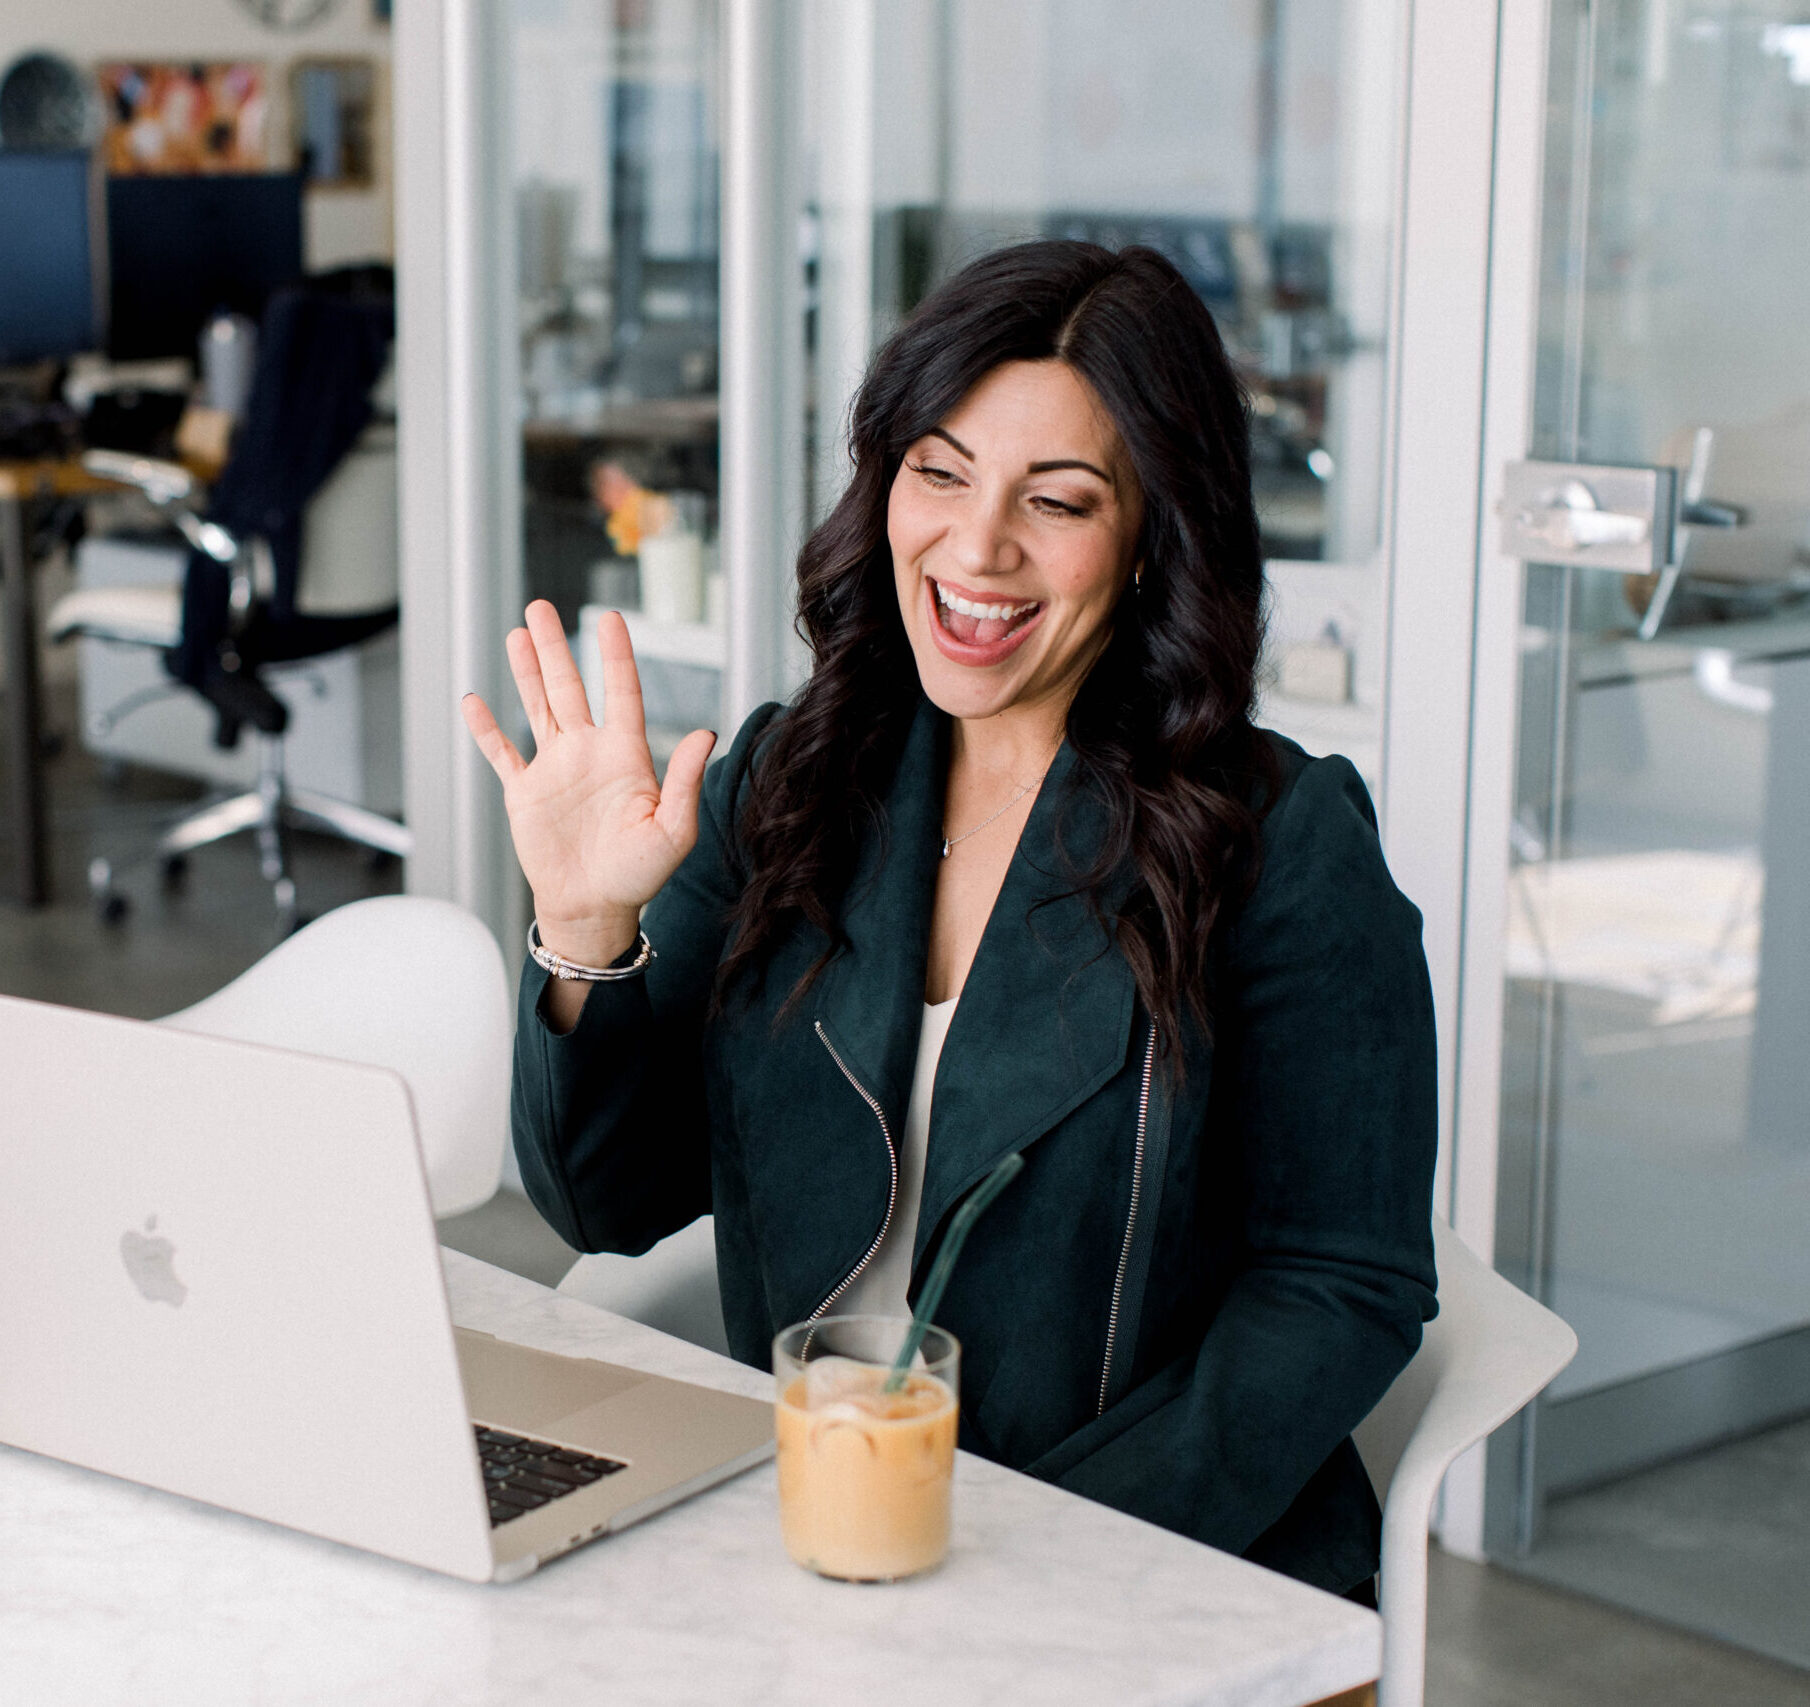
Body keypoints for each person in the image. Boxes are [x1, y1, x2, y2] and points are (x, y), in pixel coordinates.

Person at [462, 240, 1437, 1599]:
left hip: (1143, 1559)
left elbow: (1343, 1285)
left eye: (1059, 499)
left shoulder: (1281, 844)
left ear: (1156, 529)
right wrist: (581, 935)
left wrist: (1041, 1552)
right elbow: (605, 1204)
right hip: (812, 1525)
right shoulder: (786, 783)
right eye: (938, 472)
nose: (977, 547)